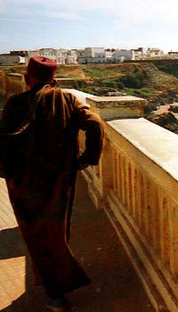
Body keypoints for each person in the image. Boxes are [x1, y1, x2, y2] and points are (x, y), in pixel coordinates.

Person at [0, 57, 104, 311]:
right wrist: (87, 159)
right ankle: (56, 290)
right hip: (58, 179)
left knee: (34, 235)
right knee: (56, 232)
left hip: (24, 183)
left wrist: (7, 174)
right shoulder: (67, 100)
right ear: (54, 80)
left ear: (27, 79)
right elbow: (96, 124)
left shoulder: (15, 103)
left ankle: (55, 291)